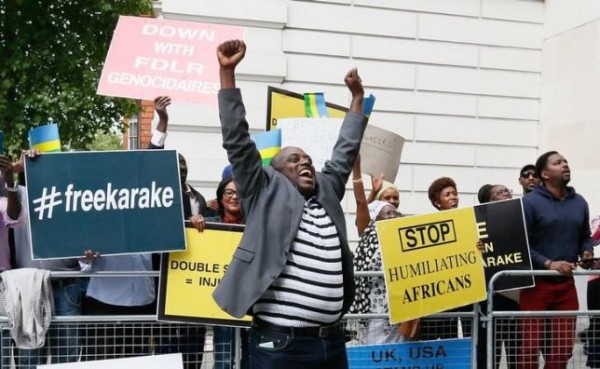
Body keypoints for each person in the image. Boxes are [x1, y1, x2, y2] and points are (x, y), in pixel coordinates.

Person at [213, 39, 366, 369]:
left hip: (331, 341)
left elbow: (345, 151)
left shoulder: (326, 190)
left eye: (308, 159)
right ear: (276, 171)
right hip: (279, 345)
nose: (305, 163)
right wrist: (227, 73)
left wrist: (356, 100)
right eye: (294, 160)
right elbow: (237, 141)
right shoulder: (263, 189)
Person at [519, 151, 593, 369]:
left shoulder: (580, 202)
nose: (565, 165)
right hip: (536, 284)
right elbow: (522, 243)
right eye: (558, 162)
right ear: (545, 174)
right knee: (529, 347)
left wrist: (586, 252)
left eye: (566, 161)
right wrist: (549, 263)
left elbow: (585, 237)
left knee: (563, 347)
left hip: (566, 284)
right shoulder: (529, 202)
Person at [9, 150, 82, 369]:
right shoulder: (17, 194)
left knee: (66, 357)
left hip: (65, 285)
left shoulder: (72, 197)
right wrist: (14, 168)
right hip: (28, 287)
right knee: (29, 356)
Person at [200, 177, 246, 369]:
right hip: (220, 305)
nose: (234, 197)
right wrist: (195, 224)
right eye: (229, 193)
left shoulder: (256, 226)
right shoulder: (208, 225)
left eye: (239, 193)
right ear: (220, 198)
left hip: (250, 303)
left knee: (254, 359)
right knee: (223, 359)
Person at [476, 183, 519, 369]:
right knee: (490, 350)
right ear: (488, 202)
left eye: (506, 190)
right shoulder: (479, 225)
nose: (505, 194)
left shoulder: (521, 218)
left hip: (516, 295)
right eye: (498, 193)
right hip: (491, 297)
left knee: (515, 349)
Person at [350, 200, 404, 344]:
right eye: (388, 213)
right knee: (376, 345)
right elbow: (361, 204)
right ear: (377, 219)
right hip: (375, 306)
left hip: (398, 304)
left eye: (395, 213)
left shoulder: (403, 238)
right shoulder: (370, 239)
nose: (393, 216)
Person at [420, 176, 466, 341]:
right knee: (443, 334)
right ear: (437, 202)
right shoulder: (428, 225)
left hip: (465, 289)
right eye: (447, 194)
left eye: (455, 193)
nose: (453, 197)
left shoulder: (467, 221)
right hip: (441, 294)